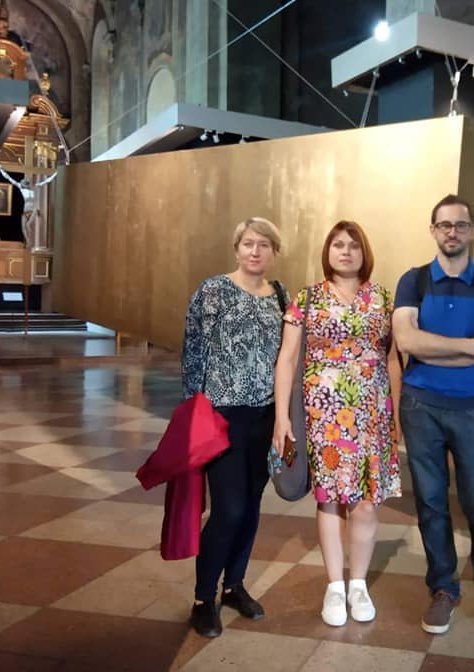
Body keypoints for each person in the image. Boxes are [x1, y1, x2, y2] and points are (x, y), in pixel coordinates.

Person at [392, 194, 474, 637]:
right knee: (430, 502)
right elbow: (407, 341)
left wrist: (437, 347)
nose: (452, 232)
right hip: (419, 406)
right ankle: (443, 587)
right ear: (433, 230)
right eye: (444, 225)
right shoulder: (412, 281)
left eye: (460, 225)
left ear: (472, 230)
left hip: (471, 408)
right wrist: (469, 347)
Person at [273, 220, 401, 627]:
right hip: (324, 416)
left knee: (366, 500)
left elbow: (392, 359)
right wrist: (281, 417)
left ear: (365, 253)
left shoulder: (382, 298)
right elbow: (286, 359)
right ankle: (334, 586)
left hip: (372, 415)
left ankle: (358, 583)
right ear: (327, 252)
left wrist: (396, 416)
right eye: (338, 245)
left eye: (353, 245)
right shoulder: (307, 297)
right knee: (329, 498)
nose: (345, 251)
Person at [182, 217, 287, 638]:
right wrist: (192, 408)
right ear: (237, 248)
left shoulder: (281, 295)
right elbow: (193, 349)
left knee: (252, 505)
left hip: (264, 416)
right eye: (248, 243)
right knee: (229, 508)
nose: (255, 251)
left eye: (264, 244)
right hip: (221, 415)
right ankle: (202, 598)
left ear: (274, 251)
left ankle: (234, 585)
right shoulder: (214, 290)